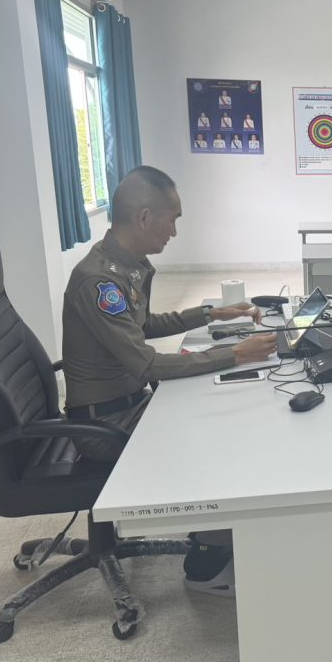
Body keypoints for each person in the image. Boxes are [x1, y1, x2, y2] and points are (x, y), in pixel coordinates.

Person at [62, 165, 277, 596]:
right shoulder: (99, 280)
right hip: (105, 423)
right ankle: (207, 566)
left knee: (219, 404)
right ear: (144, 217)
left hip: (124, 403)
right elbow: (148, 365)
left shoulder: (124, 265)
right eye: (172, 220)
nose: (175, 232)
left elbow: (142, 325)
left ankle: (214, 533)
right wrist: (236, 354)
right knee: (220, 432)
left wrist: (211, 314)